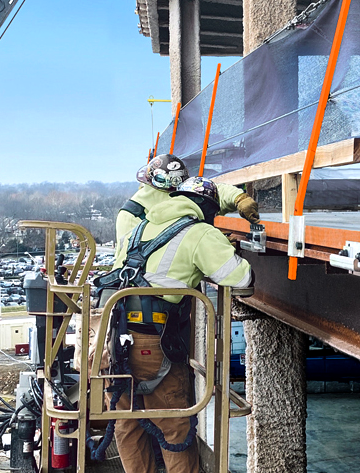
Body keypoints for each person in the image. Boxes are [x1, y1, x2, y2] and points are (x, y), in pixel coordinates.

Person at [102, 176, 253, 473]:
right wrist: (220, 246)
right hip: (154, 344)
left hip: (114, 339)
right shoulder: (199, 233)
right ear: (206, 211)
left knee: (127, 423)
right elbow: (242, 279)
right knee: (175, 428)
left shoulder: (139, 227)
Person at [113, 154, 260, 268]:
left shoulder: (174, 197)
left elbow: (209, 192)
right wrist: (209, 245)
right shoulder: (131, 215)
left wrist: (238, 198)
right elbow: (135, 257)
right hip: (144, 289)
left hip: (179, 284)